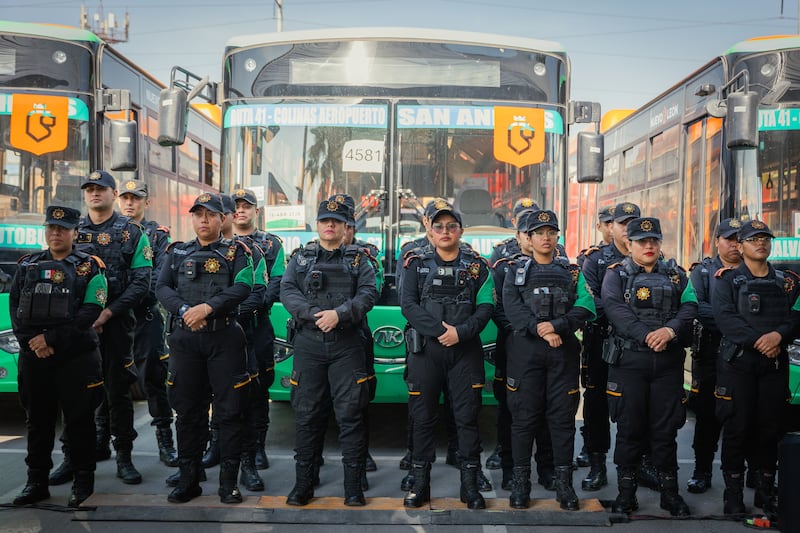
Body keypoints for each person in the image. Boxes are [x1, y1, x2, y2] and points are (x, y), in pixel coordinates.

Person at [48, 170, 153, 488]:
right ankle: (71, 458)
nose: (95, 194)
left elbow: (141, 282)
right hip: (77, 328)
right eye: (90, 189)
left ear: (113, 193)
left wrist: (107, 313)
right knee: (73, 394)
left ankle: (124, 457)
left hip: (116, 325)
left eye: (101, 189)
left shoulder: (132, 233)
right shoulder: (71, 230)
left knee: (118, 393)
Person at [156, 192, 254, 504]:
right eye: (198, 214)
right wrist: (186, 310)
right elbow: (161, 287)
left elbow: (243, 286)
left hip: (223, 338)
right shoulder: (177, 252)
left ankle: (228, 484)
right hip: (186, 339)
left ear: (223, 219)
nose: (204, 220)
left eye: (210, 214)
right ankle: (189, 479)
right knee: (187, 412)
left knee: (229, 412)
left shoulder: (238, 251)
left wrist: (207, 309)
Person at [280, 198, 377, 507]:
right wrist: (313, 314)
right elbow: (287, 291)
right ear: (317, 225)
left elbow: (369, 293)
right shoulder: (301, 259)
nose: (330, 225)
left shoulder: (360, 260)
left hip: (346, 345)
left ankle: (352, 488)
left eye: (336, 221)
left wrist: (341, 313)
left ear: (346, 226)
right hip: (309, 345)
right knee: (307, 416)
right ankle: (303, 486)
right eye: (325, 221)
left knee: (350, 416)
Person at [10, 206, 107, 508]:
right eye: (51, 227)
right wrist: (32, 343)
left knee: (79, 422)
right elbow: (16, 308)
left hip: (76, 359)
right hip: (35, 358)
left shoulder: (91, 267)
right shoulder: (28, 265)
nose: (55, 233)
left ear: (75, 233)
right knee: (37, 422)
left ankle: (82, 481)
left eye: (63, 229)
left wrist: (49, 339)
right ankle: (36, 482)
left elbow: (89, 313)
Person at [400, 201, 494, 510]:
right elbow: (408, 305)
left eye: (451, 226)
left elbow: (485, 308)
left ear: (461, 231)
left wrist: (461, 332)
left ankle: (470, 486)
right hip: (427, 352)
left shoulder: (478, 265)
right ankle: (420, 485)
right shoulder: (415, 264)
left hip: (465, 352)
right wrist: (440, 331)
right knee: (422, 419)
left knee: (467, 419)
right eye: (438, 226)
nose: (445, 231)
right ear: (429, 229)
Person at [601, 217, 697, 517]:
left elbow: (690, 306)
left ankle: (671, 495)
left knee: (665, 431)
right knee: (629, 430)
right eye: (642, 241)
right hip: (630, 364)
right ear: (629, 244)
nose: (649, 246)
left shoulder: (678, 275)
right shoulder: (615, 275)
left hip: (667, 365)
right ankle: (625, 496)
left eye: (654, 240)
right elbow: (615, 310)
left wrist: (669, 331)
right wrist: (647, 335)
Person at [503, 209, 596, 510]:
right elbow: (511, 308)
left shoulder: (572, 272)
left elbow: (585, 307)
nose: (545, 237)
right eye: (539, 233)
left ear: (557, 237)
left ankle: (564, 486)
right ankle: (520, 485)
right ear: (527, 239)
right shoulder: (514, 272)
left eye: (551, 232)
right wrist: (540, 330)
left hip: (562, 355)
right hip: (526, 354)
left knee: (562, 421)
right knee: (523, 420)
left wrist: (557, 326)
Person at [712, 219, 800, 516]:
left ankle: (765, 490)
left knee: (769, 429)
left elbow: (795, 317)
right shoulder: (725, 279)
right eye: (753, 239)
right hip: (739, 365)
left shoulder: (788, 281)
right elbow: (726, 319)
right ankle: (733, 494)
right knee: (737, 429)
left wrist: (778, 336)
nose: (760, 243)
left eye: (765, 238)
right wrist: (761, 340)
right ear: (740, 246)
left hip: (773, 364)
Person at [577, 201, 640, 492]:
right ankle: (597, 464)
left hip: (638, 345)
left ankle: (639, 466)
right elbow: (593, 303)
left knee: (638, 406)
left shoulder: (653, 258)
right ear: (610, 227)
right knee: (597, 405)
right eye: (622, 223)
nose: (628, 229)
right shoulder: (596, 260)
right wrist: (631, 316)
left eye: (633, 222)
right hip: (602, 341)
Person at [117, 179, 177, 468]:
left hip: (144, 317)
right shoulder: (108, 233)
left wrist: (124, 301)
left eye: (136, 198)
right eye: (125, 198)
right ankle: (108, 441)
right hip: (113, 321)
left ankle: (165, 441)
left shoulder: (158, 236)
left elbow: (158, 279)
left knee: (154, 379)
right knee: (109, 382)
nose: (130, 203)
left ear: (146, 203)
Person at [232, 188, 285, 489]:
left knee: (258, 387)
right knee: (224, 391)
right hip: (226, 330)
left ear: (256, 211)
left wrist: (249, 306)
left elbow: (276, 281)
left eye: (246, 206)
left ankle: (258, 446)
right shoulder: (220, 244)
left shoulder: (270, 244)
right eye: (236, 206)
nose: (241, 211)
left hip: (257, 324)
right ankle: (218, 446)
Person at [685, 218, 742, 494]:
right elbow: (698, 308)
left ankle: (750, 473)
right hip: (711, 353)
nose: (735, 244)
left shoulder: (754, 271)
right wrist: (739, 325)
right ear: (717, 241)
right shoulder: (704, 272)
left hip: (745, 355)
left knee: (745, 415)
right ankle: (701, 471)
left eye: (739, 239)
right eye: (729, 238)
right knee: (707, 415)